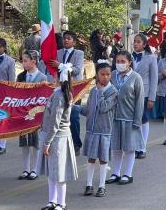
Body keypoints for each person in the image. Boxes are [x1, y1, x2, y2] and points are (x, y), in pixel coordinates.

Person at [76, 60, 118, 197]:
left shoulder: (113, 92)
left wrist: (100, 93)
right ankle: (89, 185)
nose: (105, 77)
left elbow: (104, 107)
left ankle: (101, 186)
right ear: (97, 75)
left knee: (103, 159)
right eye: (102, 74)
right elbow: (88, 110)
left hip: (104, 131)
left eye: (107, 74)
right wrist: (73, 107)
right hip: (91, 131)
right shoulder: (93, 91)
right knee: (91, 158)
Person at [39, 63, 78, 210]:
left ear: (58, 76)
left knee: (59, 172)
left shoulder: (59, 95)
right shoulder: (60, 93)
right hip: (55, 137)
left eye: (55, 74)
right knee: (52, 170)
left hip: (58, 138)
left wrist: (47, 142)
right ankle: (52, 201)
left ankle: (61, 203)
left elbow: (55, 121)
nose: (53, 76)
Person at [106, 50, 144, 185]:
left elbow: (140, 100)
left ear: (129, 62)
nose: (120, 64)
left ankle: (128, 174)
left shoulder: (136, 77)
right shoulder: (112, 75)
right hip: (114, 118)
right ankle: (116, 172)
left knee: (129, 147)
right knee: (116, 146)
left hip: (129, 117)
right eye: (118, 61)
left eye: (123, 61)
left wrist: (137, 120)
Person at [50, 31, 84, 156]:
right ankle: (60, 143)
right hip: (60, 89)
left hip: (74, 89)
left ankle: (76, 144)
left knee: (73, 116)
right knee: (59, 116)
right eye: (64, 38)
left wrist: (61, 66)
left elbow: (77, 70)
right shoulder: (58, 53)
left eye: (69, 38)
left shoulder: (79, 53)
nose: (65, 40)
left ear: (74, 42)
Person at [17, 50, 47, 181]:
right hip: (23, 113)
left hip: (36, 114)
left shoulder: (42, 77)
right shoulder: (20, 77)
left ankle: (35, 168)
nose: (23, 63)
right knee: (24, 143)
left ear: (33, 62)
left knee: (35, 143)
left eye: (25, 61)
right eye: (22, 60)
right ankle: (25, 168)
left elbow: (43, 96)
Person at [132, 33, 158, 159]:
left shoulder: (151, 58)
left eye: (138, 42)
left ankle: (142, 147)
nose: (135, 44)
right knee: (133, 120)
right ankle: (134, 146)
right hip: (130, 94)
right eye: (134, 42)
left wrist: (152, 98)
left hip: (145, 93)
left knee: (143, 119)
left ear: (144, 44)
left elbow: (154, 79)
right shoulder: (127, 57)